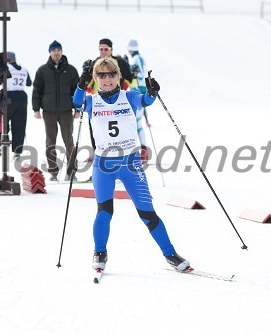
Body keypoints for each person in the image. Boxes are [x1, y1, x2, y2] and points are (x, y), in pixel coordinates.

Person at [72, 58, 191, 273]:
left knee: (147, 213)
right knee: (104, 212)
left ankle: (170, 253)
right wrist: (81, 83)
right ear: (96, 79)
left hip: (130, 163)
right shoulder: (92, 101)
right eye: (101, 75)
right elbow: (76, 102)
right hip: (103, 165)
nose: (107, 79)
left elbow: (145, 100)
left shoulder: (129, 97)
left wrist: (152, 91)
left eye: (111, 74)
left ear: (118, 76)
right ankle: (100, 251)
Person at [32, 40, 79, 181]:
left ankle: (72, 172)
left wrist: (77, 108)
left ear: (62, 52)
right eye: (54, 50)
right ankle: (53, 172)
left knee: (69, 141)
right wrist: (36, 108)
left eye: (58, 50)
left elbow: (77, 90)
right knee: (50, 141)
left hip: (66, 111)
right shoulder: (42, 70)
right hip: (49, 111)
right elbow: (36, 90)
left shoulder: (71, 70)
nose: (56, 52)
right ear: (50, 52)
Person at [85, 38, 133, 160]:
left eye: (106, 49)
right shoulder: (95, 63)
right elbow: (87, 83)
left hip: (117, 102)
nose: (103, 51)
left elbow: (130, 78)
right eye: (101, 49)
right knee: (97, 133)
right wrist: (85, 72)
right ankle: (99, 162)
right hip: (98, 102)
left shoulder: (118, 62)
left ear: (111, 49)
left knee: (118, 135)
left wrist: (130, 69)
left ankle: (120, 162)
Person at [127, 39, 150, 164]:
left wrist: (140, 95)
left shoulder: (137, 59)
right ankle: (142, 151)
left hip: (138, 96)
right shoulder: (139, 58)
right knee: (137, 124)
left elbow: (140, 76)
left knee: (136, 124)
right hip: (139, 96)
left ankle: (143, 152)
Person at [6, 51, 32, 158]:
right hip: (22, 97)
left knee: (3, 122)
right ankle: (17, 150)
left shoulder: (7, 69)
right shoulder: (24, 70)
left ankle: (3, 145)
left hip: (8, 96)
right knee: (19, 125)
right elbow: (29, 83)